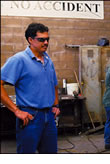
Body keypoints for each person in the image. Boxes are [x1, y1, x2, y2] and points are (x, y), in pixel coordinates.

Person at [1, 23, 60, 153]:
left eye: (47, 39)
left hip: (49, 116)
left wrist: (56, 105)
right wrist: (16, 111)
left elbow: (54, 84)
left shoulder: (48, 60)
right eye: (41, 39)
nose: (46, 42)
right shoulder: (19, 60)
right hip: (30, 117)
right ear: (30, 39)